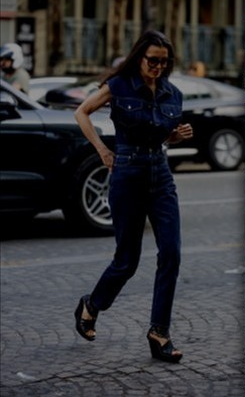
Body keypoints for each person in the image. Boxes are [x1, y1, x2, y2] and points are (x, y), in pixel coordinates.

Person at [73, 30, 193, 363]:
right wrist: (101, 150)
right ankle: (91, 305)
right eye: (152, 60)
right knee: (127, 260)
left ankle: (159, 332)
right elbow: (81, 112)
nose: (157, 67)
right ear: (140, 57)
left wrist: (175, 137)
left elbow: (160, 135)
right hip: (127, 170)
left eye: (163, 62)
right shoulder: (119, 85)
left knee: (172, 253)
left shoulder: (172, 93)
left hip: (160, 172)